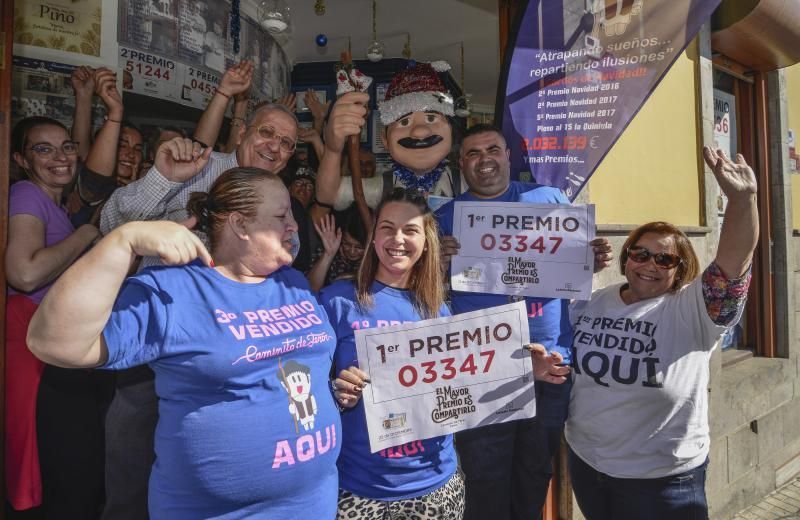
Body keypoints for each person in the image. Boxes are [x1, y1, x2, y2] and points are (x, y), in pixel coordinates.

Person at [27, 168, 342, 519]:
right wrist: (122, 241)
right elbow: (53, 342)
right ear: (240, 225)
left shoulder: (294, 282)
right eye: (282, 216)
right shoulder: (173, 291)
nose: (294, 227)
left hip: (312, 505)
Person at [98, 101, 299, 519]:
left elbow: (289, 253)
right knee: (132, 471)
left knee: (211, 472)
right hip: (157, 345)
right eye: (267, 133)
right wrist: (162, 178)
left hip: (237, 356)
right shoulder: (198, 165)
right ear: (241, 130)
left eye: (287, 143)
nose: (275, 147)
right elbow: (112, 221)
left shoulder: (278, 196)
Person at [566, 147, 757, 520]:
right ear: (627, 259)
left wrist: (742, 200)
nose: (649, 264)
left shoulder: (692, 309)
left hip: (663, 483)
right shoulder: (595, 300)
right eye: (640, 254)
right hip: (588, 465)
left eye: (664, 259)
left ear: (680, 268)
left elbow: (733, 264)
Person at [434, 124, 612, 520]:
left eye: (492, 149)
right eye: (473, 154)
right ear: (461, 163)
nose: (484, 160)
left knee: (534, 475)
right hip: (480, 369)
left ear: (508, 155)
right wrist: (437, 264)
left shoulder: (547, 199)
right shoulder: (446, 217)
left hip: (549, 367)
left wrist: (590, 259)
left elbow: (573, 263)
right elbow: (429, 296)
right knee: (484, 479)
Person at [320, 188, 463, 518]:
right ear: (373, 236)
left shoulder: (439, 311)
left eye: (410, 229)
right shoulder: (337, 301)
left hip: (436, 483)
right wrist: (336, 390)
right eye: (387, 227)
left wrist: (525, 369)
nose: (397, 238)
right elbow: (303, 384)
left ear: (426, 241)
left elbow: (463, 392)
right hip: (360, 486)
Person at [6, 116, 100, 515]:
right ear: (21, 159)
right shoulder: (26, 193)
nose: (60, 157)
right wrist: (86, 235)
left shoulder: (55, 206)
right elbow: (24, 274)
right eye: (43, 149)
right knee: (58, 463)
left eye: (66, 146)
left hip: (51, 338)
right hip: (31, 336)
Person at [316, 62, 464, 211]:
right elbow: (329, 194)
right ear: (385, 140)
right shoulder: (385, 186)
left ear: (451, 130)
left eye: (431, 118)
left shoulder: (464, 183)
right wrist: (332, 150)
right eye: (404, 122)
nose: (420, 131)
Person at [308, 205, 367, 292]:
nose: (352, 251)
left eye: (359, 247)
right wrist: (328, 255)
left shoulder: (373, 261)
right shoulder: (328, 247)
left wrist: (354, 276)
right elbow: (310, 288)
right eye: (347, 243)